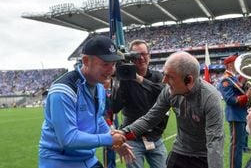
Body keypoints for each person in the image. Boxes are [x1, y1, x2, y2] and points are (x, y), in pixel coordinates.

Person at [38, 35, 135, 168]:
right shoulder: (63, 91)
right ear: (85, 60)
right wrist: (109, 139)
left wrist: (114, 142)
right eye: (105, 64)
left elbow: (98, 119)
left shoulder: (99, 86)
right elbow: (68, 139)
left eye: (113, 64)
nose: (111, 70)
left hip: (87, 160)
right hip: (59, 162)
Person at [118, 51, 224, 168]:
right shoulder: (169, 91)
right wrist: (123, 133)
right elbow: (151, 118)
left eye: (170, 77)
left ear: (188, 80)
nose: (164, 81)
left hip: (204, 155)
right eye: (164, 74)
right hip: (180, 150)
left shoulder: (210, 98)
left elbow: (214, 142)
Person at [111, 39, 169, 168]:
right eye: (136, 55)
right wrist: (117, 81)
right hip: (133, 138)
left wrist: (138, 79)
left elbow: (163, 92)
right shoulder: (124, 80)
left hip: (155, 137)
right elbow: (114, 108)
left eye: (144, 54)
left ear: (149, 56)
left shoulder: (158, 76)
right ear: (130, 58)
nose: (141, 58)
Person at [217, 53, 251, 168]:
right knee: (236, 146)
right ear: (230, 65)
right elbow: (230, 100)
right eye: (236, 64)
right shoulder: (226, 80)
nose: (239, 66)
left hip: (240, 114)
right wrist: (246, 96)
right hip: (235, 115)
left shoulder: (233, 79)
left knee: (240, 145)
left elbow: (239, 89)